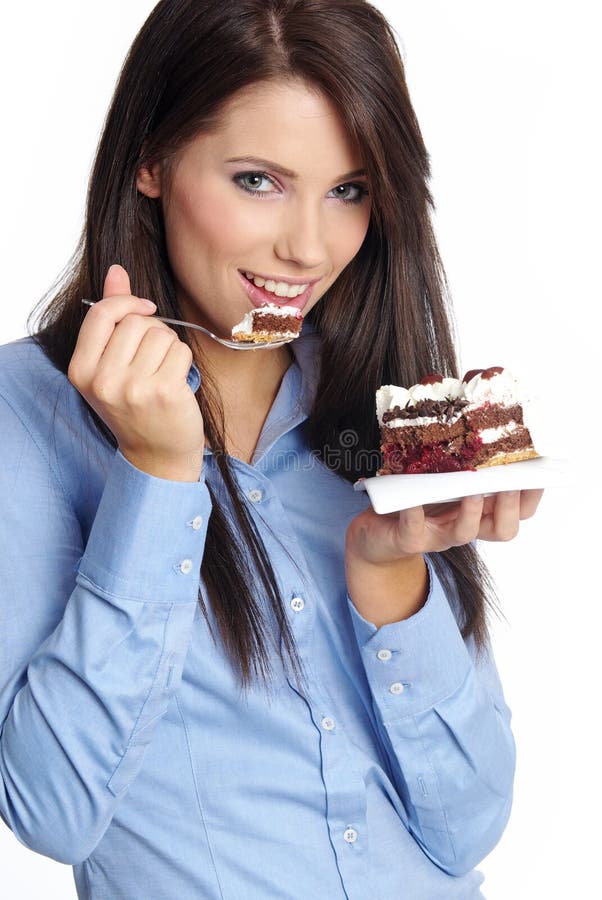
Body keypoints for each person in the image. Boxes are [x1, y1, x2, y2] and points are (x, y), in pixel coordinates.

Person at [0, 1, 544, 897]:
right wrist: (157, 474)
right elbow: (51, 812)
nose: (309, 247)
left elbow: (466, 827)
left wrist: (387, 574)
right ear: (152, 159)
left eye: (349, 190)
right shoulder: (25, 417)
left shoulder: (377, 409)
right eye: (259, 180)